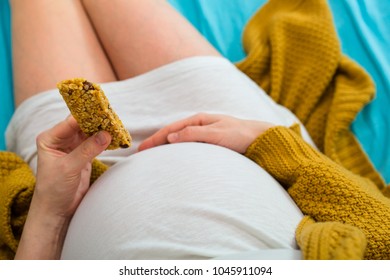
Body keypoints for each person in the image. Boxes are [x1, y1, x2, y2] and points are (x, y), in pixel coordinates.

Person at [8, 0, 390, 260]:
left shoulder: (57, 201)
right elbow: (380, 232)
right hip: (226, 127)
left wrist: (50, 213)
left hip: (75, 183)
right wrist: (266, 141)